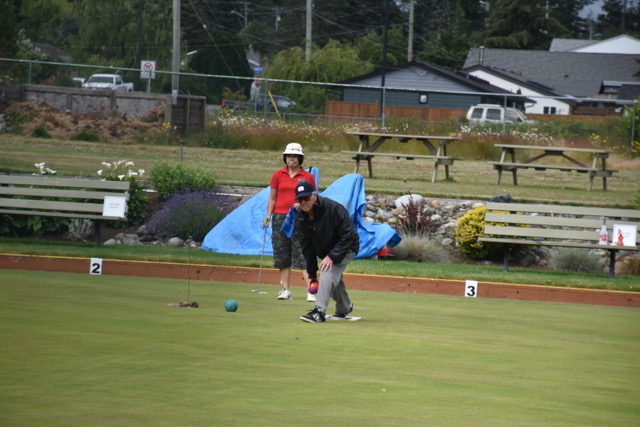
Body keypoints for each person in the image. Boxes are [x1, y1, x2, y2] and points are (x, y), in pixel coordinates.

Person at [295, 181, 360, 323]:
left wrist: (331, 256)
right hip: (328, 250)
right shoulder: (301, 217)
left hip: (347, 246)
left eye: (306, 198)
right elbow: (307, 248)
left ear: (314, 196)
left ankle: (319, 312)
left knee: (327, 271)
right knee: (333, 278)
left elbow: (348, 234)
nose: (303, 202)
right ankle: (344, 307)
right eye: (300, 199)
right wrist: (312, 275)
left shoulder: (333, 208)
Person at [263, 143, 316, 301]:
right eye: (288, 156)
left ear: (300, 159)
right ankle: (285, 290)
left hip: (300, 216)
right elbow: (272, 197)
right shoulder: (278, 174)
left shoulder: (308, 177)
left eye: (294, 156)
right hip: (279, 217)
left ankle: (311, 291)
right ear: (285, 158)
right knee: (282, 253)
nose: (291, 159)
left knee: (302, 253)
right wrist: (268, 216)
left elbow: (313, 198)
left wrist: (302, 204)